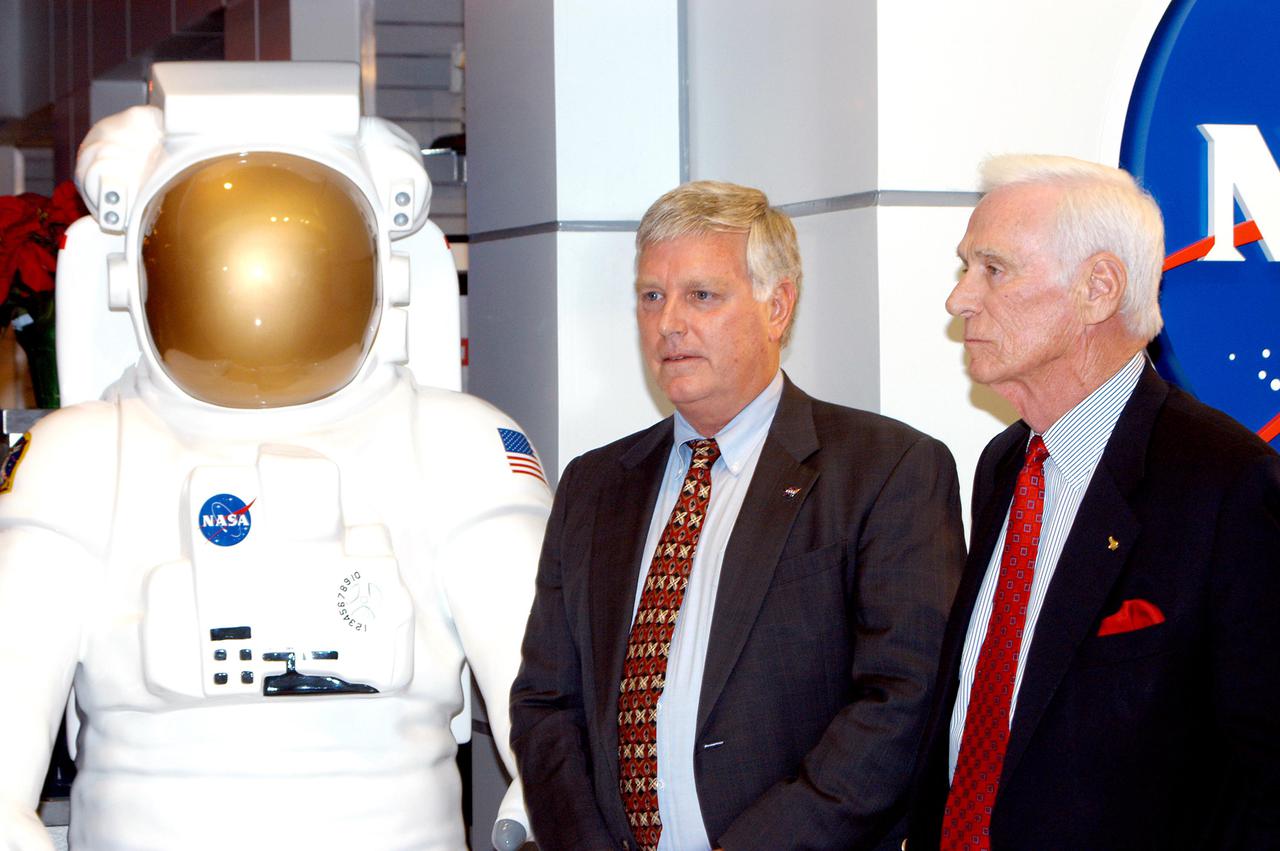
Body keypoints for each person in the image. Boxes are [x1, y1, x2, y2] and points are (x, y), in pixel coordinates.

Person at [0, 63, 547, 849]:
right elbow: (14, 671)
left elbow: (541, 688)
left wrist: (547, 797)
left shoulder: (458, 448)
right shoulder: (79, 460)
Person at [511, 180, 966, 851]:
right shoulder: (594, 485)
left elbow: (902, 700)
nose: (669, 323)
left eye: (702, 295)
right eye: (651, 296)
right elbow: (545, 704)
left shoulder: (885, 469)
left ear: (777, 305)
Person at [906, 155, 1280, 849]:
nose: (959, 299)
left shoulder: (1225, 483)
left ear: (1099, 288)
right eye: (965, 267)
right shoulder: (1003, 466)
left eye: (993, 269)